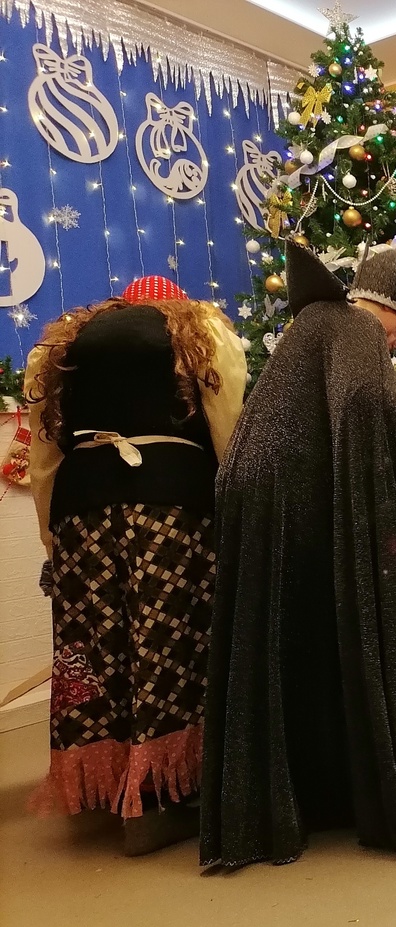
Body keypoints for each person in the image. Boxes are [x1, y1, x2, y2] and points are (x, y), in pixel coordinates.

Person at [200, 242, 396, 868]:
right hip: (289, 497)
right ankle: (385, 793)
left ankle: (298, 797)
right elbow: (372, 404)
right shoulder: (353, 326)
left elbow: (368, 404)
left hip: (261, 492)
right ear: (389, 310)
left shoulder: (318, 321)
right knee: (343, 634)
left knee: (293, 645)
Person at [23, 276, 245, 855]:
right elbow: (229, 430)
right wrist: (240, 516)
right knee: (169, 647)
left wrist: (53, 540)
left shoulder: (62, 347)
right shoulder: (200, 332)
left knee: (98, 647)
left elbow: (44, 459)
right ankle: (158, 803)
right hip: (170, 508)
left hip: (81, 510)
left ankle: (106, 785)